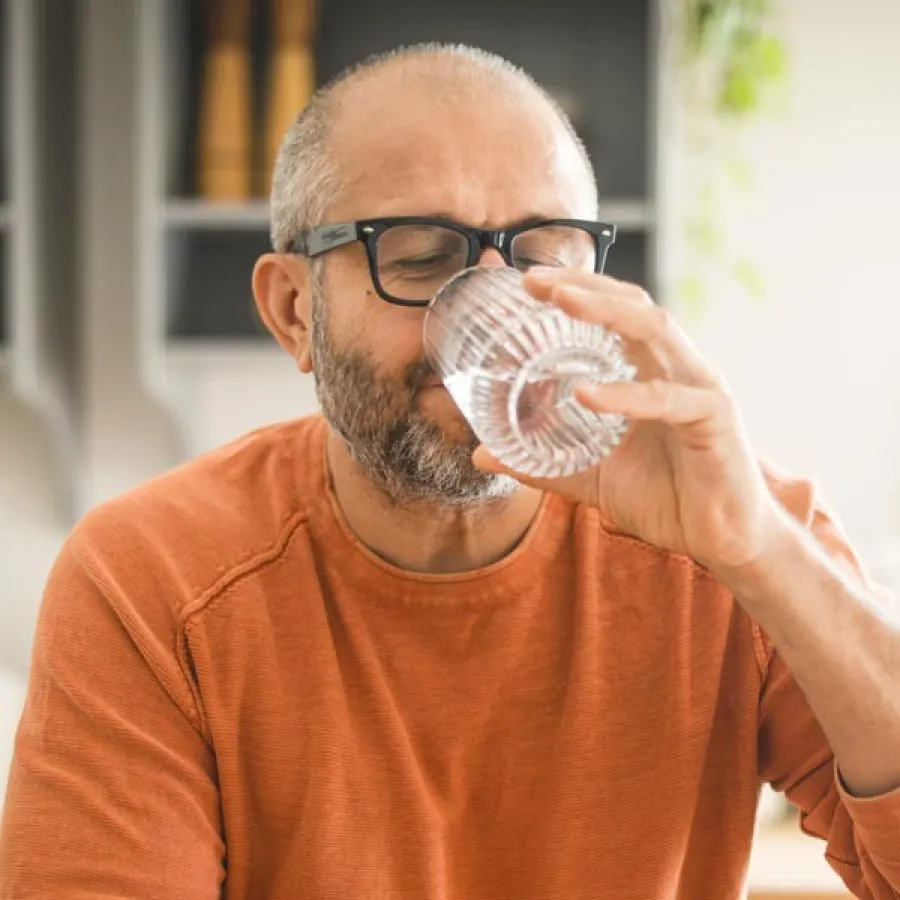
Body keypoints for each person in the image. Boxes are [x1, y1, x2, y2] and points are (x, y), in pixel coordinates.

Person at [1, 43, 898, 900]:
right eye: (422, 256)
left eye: (545, 253)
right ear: (291, 311)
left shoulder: (731, 528)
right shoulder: (154, 582)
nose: (498, 301)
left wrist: (759, 554)